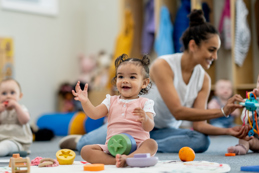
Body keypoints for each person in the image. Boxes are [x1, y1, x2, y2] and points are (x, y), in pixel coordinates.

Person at [59, 9, 251, 154]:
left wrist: (229, 131)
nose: (215, 56)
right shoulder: (163, 65)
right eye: (211, 49)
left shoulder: (204, 79)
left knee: (201, 141)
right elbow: (178, 110)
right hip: (130, 124)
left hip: (159, 129)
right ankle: (83, 141)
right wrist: (223, 111)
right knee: (85, 146)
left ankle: (138, 148)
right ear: (193, 46)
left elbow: (199, 125)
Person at [72, 54, 157, 167]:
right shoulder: (111, 100)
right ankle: (117, 160)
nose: (125, 81)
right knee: (85, 150)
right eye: (121, 77)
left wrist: (145, 119)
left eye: (132, 77)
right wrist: (85, 101)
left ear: (144, 83)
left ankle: (129, 158)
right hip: (113, 148)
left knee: (152, 144)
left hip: (138, 146)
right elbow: (94, 114)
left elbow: (149, 127)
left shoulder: (145, 102)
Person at [227, 75, 259, 155]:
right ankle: (241, 147)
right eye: (258, 82)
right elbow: (244, 118)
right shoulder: (254, 101)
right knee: (245, 137)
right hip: (256, 140)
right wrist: (249, 106)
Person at [0, 78, 32, 156]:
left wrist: (16, 106)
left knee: (7, 146)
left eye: (12, 92)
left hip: (16, 140)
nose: (8, 96)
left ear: (20, 96)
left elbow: (25, 120)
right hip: (1, 139)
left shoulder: (21, 108)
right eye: (4, 93)